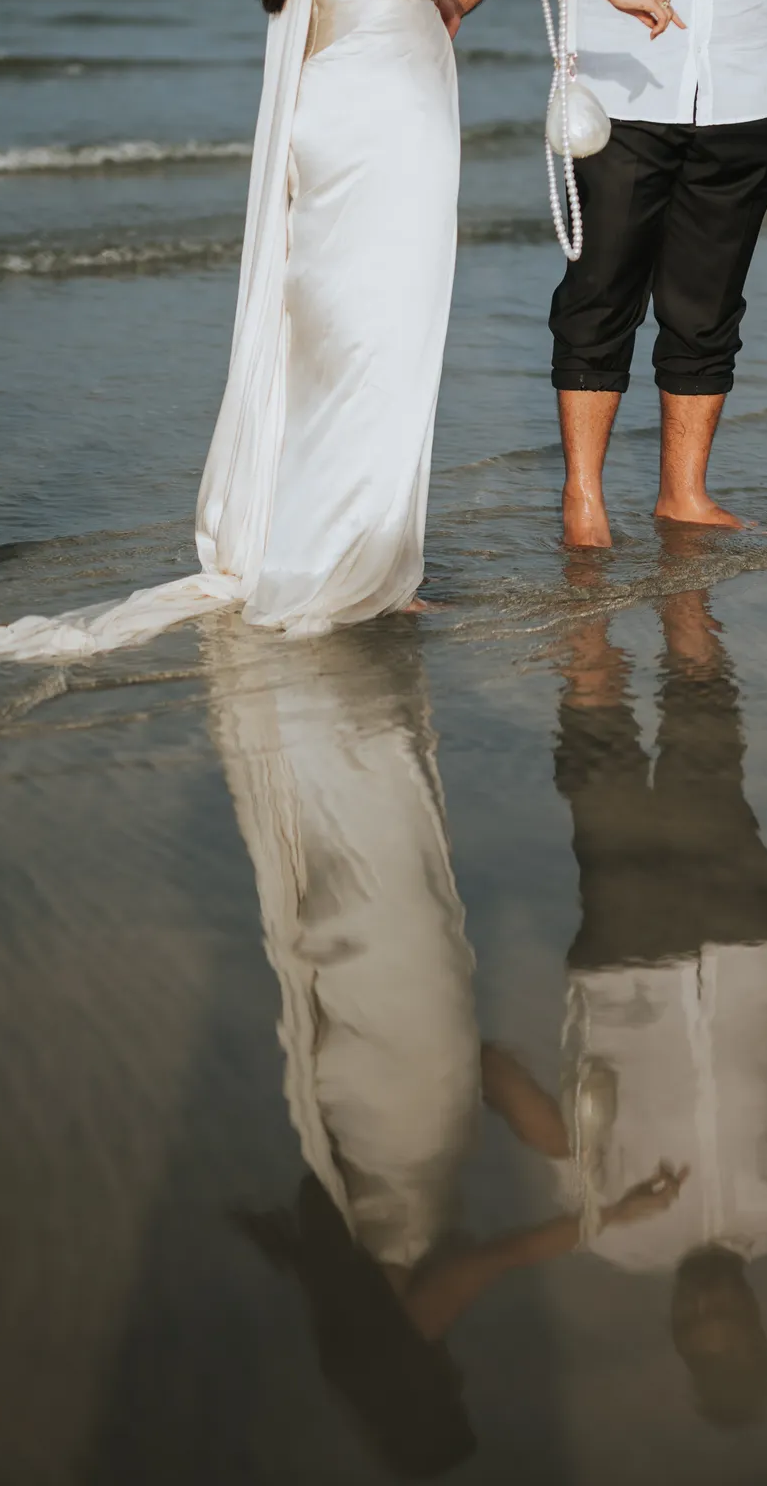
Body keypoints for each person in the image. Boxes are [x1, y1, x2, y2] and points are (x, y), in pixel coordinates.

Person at [0, 0, 680, 661]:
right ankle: (354, 569)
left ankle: (341, 551)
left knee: (340, 336)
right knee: (378, 341)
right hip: (384, 107)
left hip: (343, 94)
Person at [212, 621, 684, 1475]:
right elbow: (486, 1076)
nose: (458, 1375)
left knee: (397, 897)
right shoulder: (342, 1287)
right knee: (368, 910)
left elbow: (488, 1262)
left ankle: (346, 705)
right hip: (378, 1093)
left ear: (423, 1398)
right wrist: (562, 1146)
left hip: (407, 1103)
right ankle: (330, 704)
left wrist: (604, 1218)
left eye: (451, 1393)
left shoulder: (397, 1334)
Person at [478, 586, 767, 1426]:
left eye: (694, 1329)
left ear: (675, 1331)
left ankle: (585, 585)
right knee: (708, 749)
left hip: (625, 967)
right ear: (757, 1322)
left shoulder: (619, 1240)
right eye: (727, 1323)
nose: (706, 1309)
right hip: (747, 946)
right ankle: (683, 578)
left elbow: (549, 1134)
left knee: (600, 766)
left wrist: (468, 1057)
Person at [438, 0, 767, 546]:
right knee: (599, 292)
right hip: (617, 88)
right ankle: (583, 498)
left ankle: (684, 495)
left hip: (749, 85)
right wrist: (450, 4)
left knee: (708, 303)